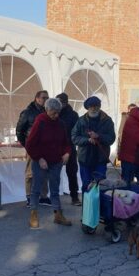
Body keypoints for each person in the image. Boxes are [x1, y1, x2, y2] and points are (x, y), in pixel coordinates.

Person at [25, 97, 73, 228]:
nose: (56, 115)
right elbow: (29, 144)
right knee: (36, 189)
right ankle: (33, 214)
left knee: (55, 189)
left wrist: (67, 153)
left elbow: (66, 143)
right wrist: (39, 158)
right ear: (47, 110)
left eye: (58, 113)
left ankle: (58, 214)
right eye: (53, 113)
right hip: (41, 161)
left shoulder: (61, 124)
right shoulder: (40, 122)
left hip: (56, 162)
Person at [72, 96, 116, 191]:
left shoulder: (107, 121)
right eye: (91, 106)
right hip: (85, 159)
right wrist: (87, 140)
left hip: (100, 159)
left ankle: (99, 206)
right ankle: (87, 205)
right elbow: (74, 137)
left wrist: (98, 136)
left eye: (96, 106)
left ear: (99, 107)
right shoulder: (81, 121)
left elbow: (111, 138)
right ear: (87, 108)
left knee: (100, 185)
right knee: (86, 185)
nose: (93, 108)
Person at [16, 90, 50, 206]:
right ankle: (29, 196)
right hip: (32, 147)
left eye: (47, 98)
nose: (46, 100)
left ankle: (44, 196)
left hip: (46, 147)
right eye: (44, 98)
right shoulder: (27, 113)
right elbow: (19, 131)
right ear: (37, 98)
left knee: (44, 171)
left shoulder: (48, 112)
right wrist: (27, 145)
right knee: (30, 173)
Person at [56, 93, 81, 205]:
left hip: (69, 147)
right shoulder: (54, 113)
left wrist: (71, 146)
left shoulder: (73, 115)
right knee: (54, 173)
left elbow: (77, 132)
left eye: (60, 102)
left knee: (71, 172)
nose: (59, 104)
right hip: (56, 148)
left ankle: (74, 196)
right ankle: (54, 197)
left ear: (65, 102)